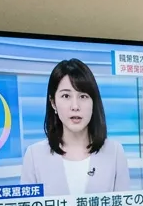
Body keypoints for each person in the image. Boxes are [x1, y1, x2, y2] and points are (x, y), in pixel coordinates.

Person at [21, 58, 131, 197]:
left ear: (93, 102)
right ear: (53, 103)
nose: (75, 106)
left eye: (83, 96)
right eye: (66, 96)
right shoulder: (34, 155)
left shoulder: (115, 153)